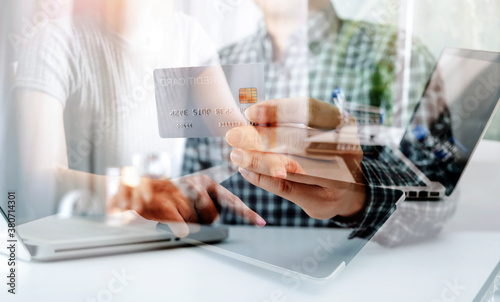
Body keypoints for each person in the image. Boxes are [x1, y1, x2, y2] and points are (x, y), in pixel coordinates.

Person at [183, 0, 456, 244]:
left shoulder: (400, 58)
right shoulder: (217, 68)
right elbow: (190, 192)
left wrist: (355, 197)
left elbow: (440, 200)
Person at [12, 0, 265, 237]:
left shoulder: (187, 34)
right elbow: (39, 183)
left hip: (158, 240)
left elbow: (237, 136)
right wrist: (140, 194)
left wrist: (274, 144)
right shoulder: (53, 40)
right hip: (76, 242)